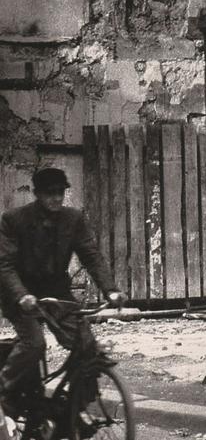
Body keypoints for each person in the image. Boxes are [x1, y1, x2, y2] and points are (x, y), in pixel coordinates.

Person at [0, 167, 124, 417]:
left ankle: (77, 404)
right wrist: (21, 295)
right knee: (34, 344)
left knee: (85, 344)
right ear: (37, 194)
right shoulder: (14, 220)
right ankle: (5, 389)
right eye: (50, 193)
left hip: (56, 291)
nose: (56, 198)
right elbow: (5, 264)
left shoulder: (73, 219)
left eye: (60, 192)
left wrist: (111, 290)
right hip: (20, 294)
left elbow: (91, 256)